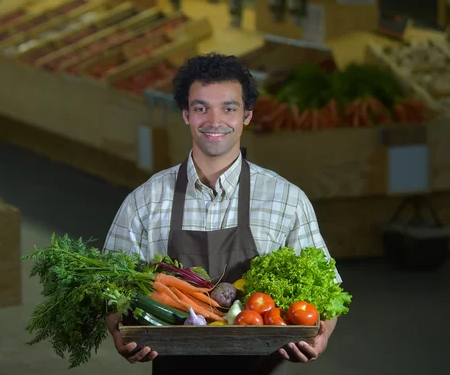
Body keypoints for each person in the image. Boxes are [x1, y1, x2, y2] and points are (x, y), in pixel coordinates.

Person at [103, 53, 342, 374]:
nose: (215, 121)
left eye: (229, 108)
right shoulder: (145, 200)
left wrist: (322, 333)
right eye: (201, 108)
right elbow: (109, 285)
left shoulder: (286, 199)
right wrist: (119, 330)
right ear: (186, 114)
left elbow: (327, 288)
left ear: (247, 115)